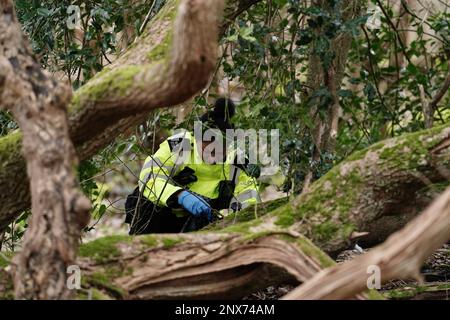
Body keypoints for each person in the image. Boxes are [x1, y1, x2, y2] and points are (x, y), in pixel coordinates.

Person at [124, 98, 261, 235]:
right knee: (144, 200)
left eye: (219, 151)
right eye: (209, 150)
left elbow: (248, 194)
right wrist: (179, 195)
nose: (213, 156)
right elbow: (149, 177)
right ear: (196, 139)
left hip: (205, 221)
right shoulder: (181, 145)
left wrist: (235, 219)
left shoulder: (237, 160)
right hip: (164, 214)